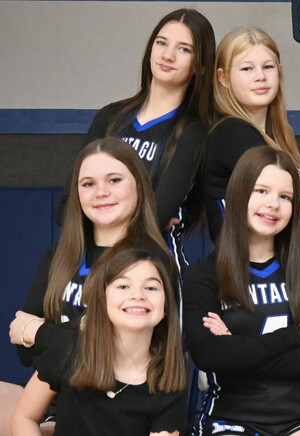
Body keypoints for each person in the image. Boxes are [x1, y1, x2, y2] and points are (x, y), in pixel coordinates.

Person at [0, 138, 169, 436]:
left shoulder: (151, 261)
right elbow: (25, 353)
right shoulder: (60, 256)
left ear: (139, 186)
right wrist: (65, 335)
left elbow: (101, 348)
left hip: (110, 413)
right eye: (88, 184)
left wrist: (37, 332)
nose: (101, 192)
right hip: (49, 399)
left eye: (114, 180)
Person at [183, 147, 300, 436]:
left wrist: (237, 349)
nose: (273, 205)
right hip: (231, 416)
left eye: (286, 197)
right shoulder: (205, 274)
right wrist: (298, 336)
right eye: (261, 191)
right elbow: (208, 355)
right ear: (238, 194)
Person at [73, 8, 216, 271]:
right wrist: (140, 216)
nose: (168, 55)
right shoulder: (110, 117)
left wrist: (103, 213)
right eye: (161, 43)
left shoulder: (193, 131)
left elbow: (156, 217)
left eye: (184, 49)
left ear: (201, 65)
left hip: (152, 267)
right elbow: (66, 207)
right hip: (92, 263)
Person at [11, 245, 190, 435]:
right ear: (102, 299)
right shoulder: (70, 347)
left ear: (166, 306)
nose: (138, 295)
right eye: (123, 286)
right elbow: (24, 417)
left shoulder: (169, 379)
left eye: (151, 287)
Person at [200, 26, 300, 252]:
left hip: (286, 269)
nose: (260, 76)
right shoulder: (232, 133)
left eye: (268, 67)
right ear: (223, 78)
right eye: (247, 68)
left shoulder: (280, 137)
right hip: (247, 270)